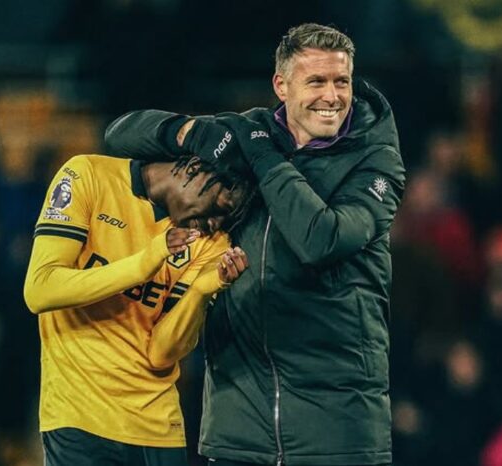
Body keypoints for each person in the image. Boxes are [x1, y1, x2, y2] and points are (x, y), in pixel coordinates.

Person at [104, 23, 405, 466]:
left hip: (337, 429)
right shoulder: (251, 132)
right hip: (238, 423)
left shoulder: (376, 163)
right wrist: (192, 133)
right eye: (316, 81)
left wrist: (263, 157)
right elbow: (119, 134)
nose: (332, 96)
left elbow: (320, 239)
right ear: (281, 86)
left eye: (341, 81)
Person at [23, 153, 252, 466]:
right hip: (79, 417)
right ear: (193, 169)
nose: (215, 223)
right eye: (217, 206)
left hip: (158, 429)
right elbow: (41, 289)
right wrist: (144, 264)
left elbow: (161, 354)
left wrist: (201, 292)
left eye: (225, 217)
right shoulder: (88, 175)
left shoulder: (212, 242)